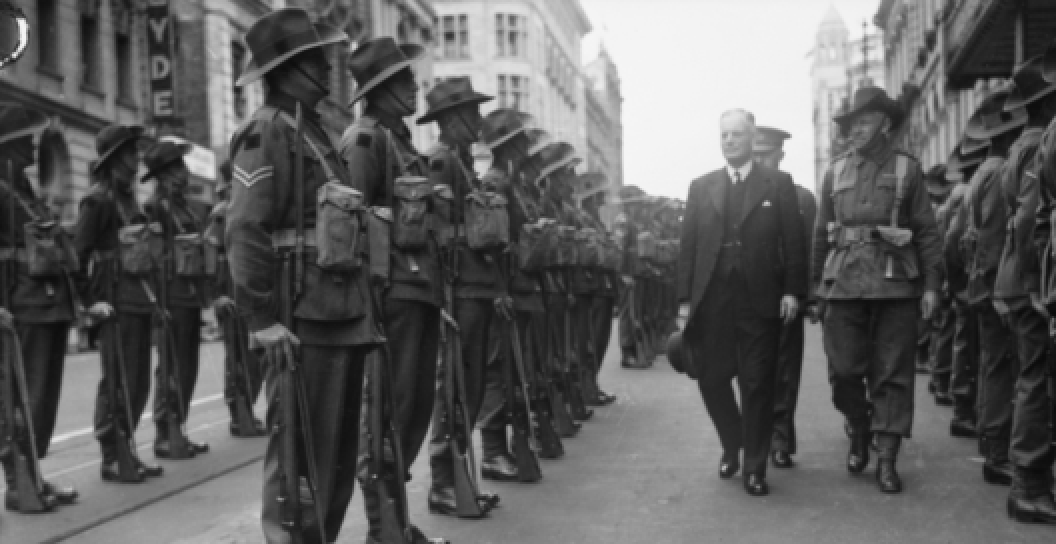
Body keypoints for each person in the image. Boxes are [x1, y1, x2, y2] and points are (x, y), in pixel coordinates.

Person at [226, 9, 379, 543]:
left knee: (334, 460)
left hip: (338, 311)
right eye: (315, 59)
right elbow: (245, 228)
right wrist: (261, 318)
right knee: (297, 457)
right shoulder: (264, 130)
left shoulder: (314, 132)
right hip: (300, 317)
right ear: (290, 69)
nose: (327, 67)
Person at [337, 36, 447, 544]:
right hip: (391, 295)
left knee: (412, 409)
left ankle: (397, 521)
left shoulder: (401, 142)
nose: (414, 88)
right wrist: (368, 300)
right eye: (403, 81)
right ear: (379, 88)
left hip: (419, 292)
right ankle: (383, 528)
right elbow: (352, 224)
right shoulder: (366, 140)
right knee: (387, 410)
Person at [810, 86, 942, 494]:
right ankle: (860, 426)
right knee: (844, 371)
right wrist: (815, 288)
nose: (854, 131)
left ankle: (887, 456)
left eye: (862, 122)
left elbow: (926, 232)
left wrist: (932, 286)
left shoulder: (908, 170)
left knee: (893, 373)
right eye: (849, 124)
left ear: (884, 123)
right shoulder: (834, 172)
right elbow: (820, 233)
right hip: (844, 284)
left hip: (894, 284)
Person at [677, 109, 806, 497]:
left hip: (760, 300)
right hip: (713, 300)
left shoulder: (777, 184)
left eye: (737, 134)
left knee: (757, 383)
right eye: (724, 135)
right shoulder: (702, 187)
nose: (729, 141)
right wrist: (684, 301)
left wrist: (792, 291)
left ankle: (754, 466)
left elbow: (794, 242)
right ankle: (732, 442)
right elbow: (689, 248)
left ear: (751, 139)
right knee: (711, 378)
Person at [420, 77, 506, 516]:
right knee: (451, 387)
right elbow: (433, 235)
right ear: (451, 119)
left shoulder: (462, 164)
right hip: (458, 291)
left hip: (475, 288)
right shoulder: (439, 162)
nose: (477, 120)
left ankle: (459, 477)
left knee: (469, 388)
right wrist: (442, 300)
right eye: (470, 113)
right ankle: (443, 482)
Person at [72, 123, 165, 483]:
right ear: (114, 160)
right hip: (113, 303)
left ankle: (127, 448)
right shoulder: (96, 200)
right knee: (117, 380)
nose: (136, 159)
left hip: (138, 300)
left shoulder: (130, 201)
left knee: (138, 380)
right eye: (130, 153)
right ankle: (112, 455)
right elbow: (77, 255)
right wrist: (90, 302)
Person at [0, 103, 79, 509]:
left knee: (41, 399)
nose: (33, 148)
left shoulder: (24, 191)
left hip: (46, 305)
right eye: (26, 141)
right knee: (21, 398)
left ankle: (35, 476)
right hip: (21, 307)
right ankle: (19, 484)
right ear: (8, 146)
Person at [996, 53, 1056, 524]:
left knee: (1030, 377)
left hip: (1018, 279)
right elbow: (1028, 222)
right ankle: (1030, 485)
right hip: (1030, 281)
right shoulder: (1038, 148)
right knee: (1035, 380)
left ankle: (1028, 481)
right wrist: (1038, 286)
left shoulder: (1022, 147)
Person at [962, 87, 1026, 487]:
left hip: (982, 284)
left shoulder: (984, 173)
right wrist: (995, 290)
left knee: (992, 365)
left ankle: (991, 444)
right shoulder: (1001, 172)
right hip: (995, 286)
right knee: (1002, 367)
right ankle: (997, 450)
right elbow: (992, 238)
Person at [142, 139, 211, 459]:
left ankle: (178, 428)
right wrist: (157, 302)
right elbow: (152, 257)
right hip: (171, 297)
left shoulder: (182, 206)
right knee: (170, 366)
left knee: (187, 366)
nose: (184, 172)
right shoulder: (155, 207)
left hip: (189, 295)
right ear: (165, 173)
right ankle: (164, 434)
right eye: (178, 167)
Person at [753, 125, 815, 469]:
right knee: (752, 369)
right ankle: (754, 436)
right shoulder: (742, 194)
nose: (763, 161)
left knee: (786, 369)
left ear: (780, 155)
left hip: (786, 295)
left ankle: (780, 438)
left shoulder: (802, 198)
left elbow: (808, 250)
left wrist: (806, 294)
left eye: (769, 155)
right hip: (749, 295)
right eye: (758, 154)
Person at [205, 162, 266, 437]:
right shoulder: (222, 213)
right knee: (239, 360)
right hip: (231, 298)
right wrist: (217, 296)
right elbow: (210, 258)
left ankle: (246, 411)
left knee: (252, 359)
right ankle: (239, 415)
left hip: (242, 295)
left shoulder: (236, 208)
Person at [944, 142, 987, 439]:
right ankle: (963, 410)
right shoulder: (966, 192)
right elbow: (951, 241)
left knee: (970, 346)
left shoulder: (968, 188)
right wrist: (958, 286)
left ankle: (966, 409)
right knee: (971, 347)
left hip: (971, 282)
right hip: (974, 283)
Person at [924, 165, 956, 408]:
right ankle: (941, 378)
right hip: (944, 276)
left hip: (940, 276)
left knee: (940, 329)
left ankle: (938, 376)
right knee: (944, 329)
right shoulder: (941, 211)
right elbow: (942, 248)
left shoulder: (937, 209)